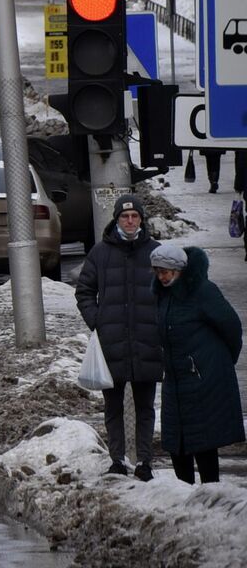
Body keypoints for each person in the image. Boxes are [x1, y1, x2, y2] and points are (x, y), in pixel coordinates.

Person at [74, 195, 162, 480]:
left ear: (141, 220)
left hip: (147, 341)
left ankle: (145, 462)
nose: (130, 221)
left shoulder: (156, 252)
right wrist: (97, 321)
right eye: (125, 217)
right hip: (111, 343)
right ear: (116, 220)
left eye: (135, 216)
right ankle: (117, 460)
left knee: (145, 407)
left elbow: (170, 292)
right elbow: (84, 291)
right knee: (113, 407)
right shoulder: (100, 253)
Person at [152, 243, 244, 484]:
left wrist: (219, 363)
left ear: (179, 270)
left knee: (204, 442)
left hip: (203, 380)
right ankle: (186, 499)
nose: (161, 277)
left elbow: (232, 327)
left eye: (166, 272)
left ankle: (210, 498)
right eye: (157, 271)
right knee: (177, 443)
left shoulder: (203, 291)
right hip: (175, 379)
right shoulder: (162, 295)